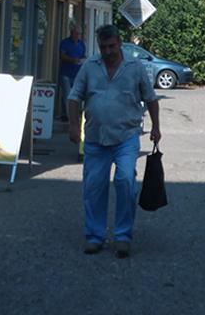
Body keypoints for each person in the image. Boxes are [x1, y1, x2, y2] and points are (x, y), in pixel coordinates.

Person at [68, 24, 161, 258]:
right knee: (93, 187)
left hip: (126, 138)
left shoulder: (135, 67)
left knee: (125, 181)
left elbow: (150, 98)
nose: (108, 51)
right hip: (95, 138)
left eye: (112, 46)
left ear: (119, 43)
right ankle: (95, 236)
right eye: (103, 47)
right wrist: (71, 124)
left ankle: (122, 236)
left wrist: (156, 127)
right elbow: (74, 97)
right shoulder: (90, 66)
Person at [58, 24, 86, 122]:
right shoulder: (65, 43)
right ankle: (69, 117)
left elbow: (83, 56)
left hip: (77, 74)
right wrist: (73, 60)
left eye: (79, 34)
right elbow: (62, 56)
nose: (78, 35)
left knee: (75, 95)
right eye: (76, 33)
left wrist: (82, 61)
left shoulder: (81, 44)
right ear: (72, 33)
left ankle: (68, 114)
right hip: (66, 73)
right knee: (67, 94)